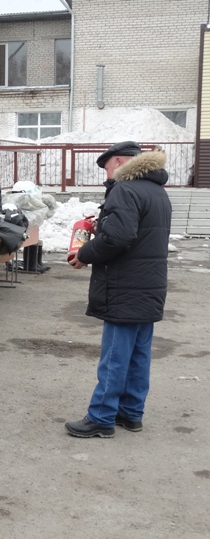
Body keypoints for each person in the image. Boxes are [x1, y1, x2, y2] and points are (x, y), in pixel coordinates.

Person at [65, 141, 172, 438]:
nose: (107, 174)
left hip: (125, 286)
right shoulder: (157, 191)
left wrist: (84, 255)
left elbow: (120, 238)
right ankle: (131, 413)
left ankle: (101, 417)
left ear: (122, 162)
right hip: (149, 284)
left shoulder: (125, 189)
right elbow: (137, 233)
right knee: (139, 355)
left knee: (114, 356)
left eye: (108, 166)